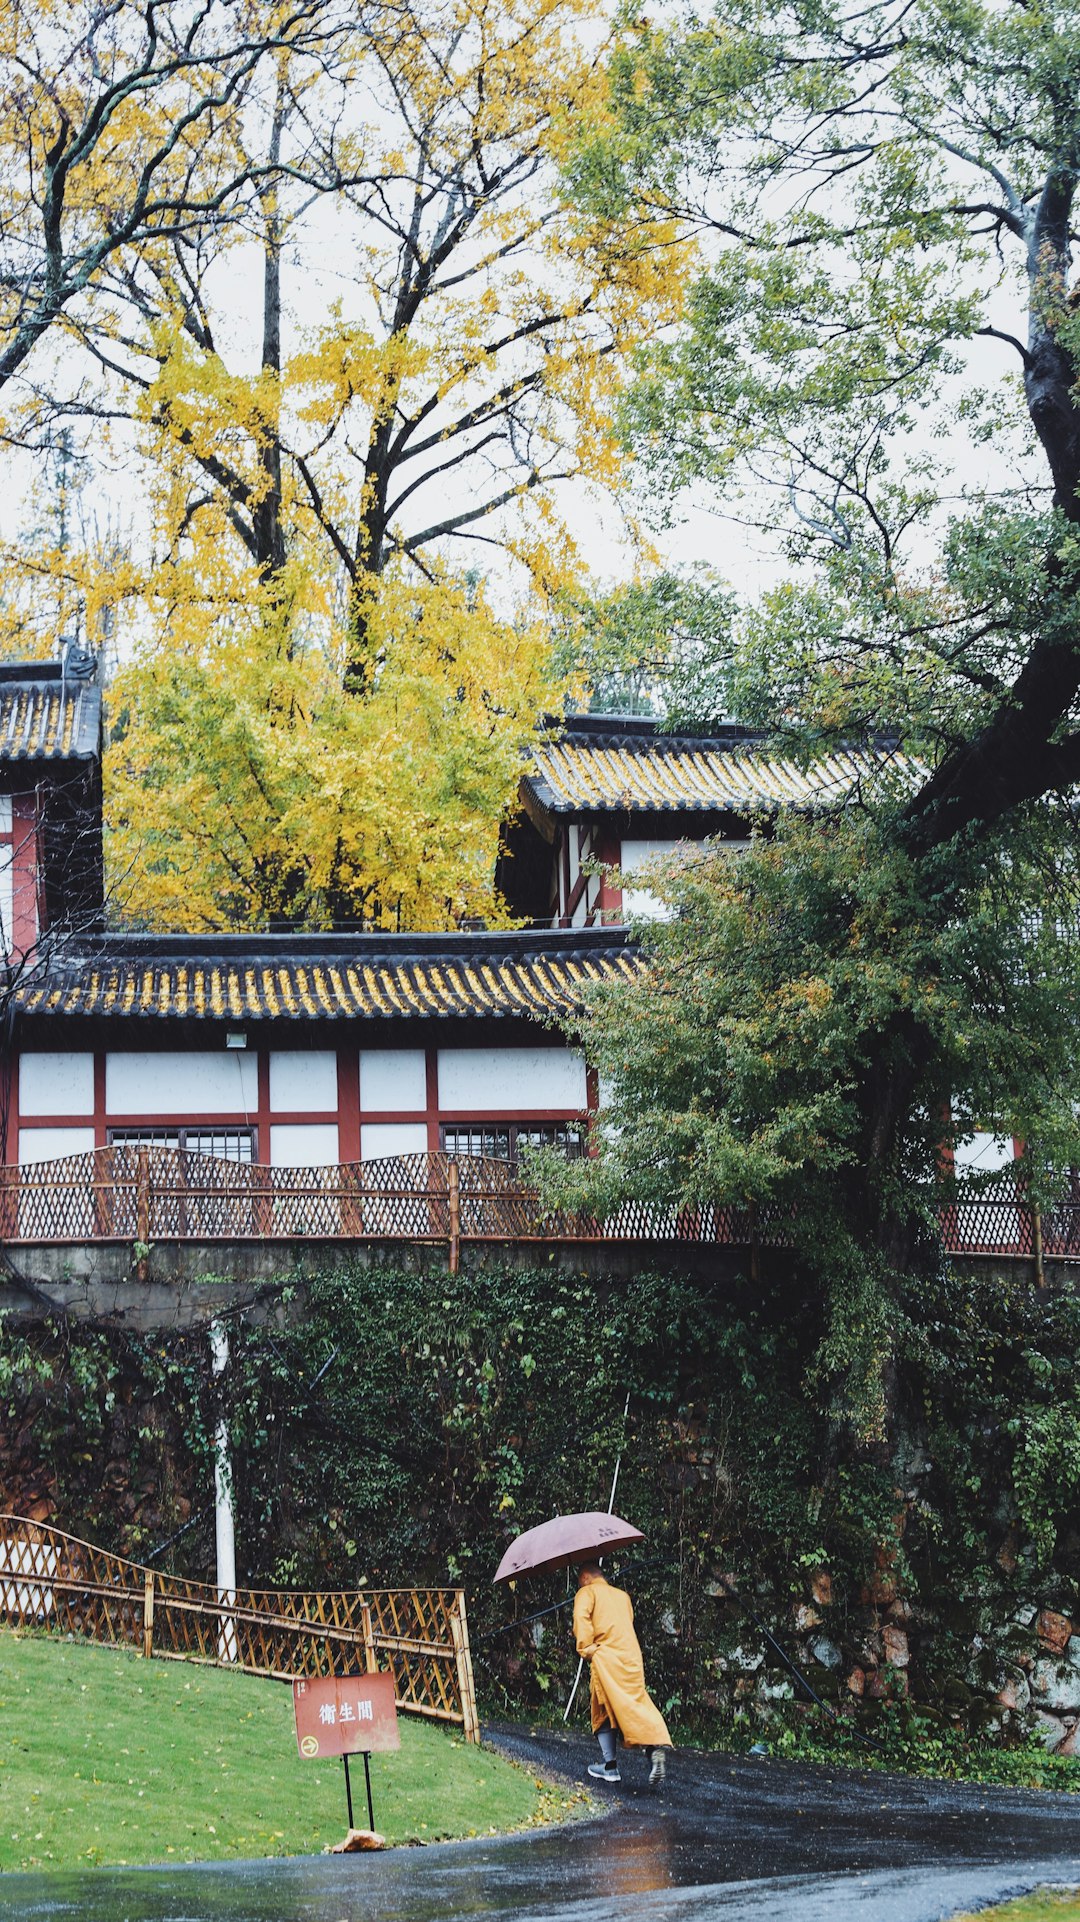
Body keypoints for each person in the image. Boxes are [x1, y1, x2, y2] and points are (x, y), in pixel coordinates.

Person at [573, 1562, 672, 1787]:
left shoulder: (586, 1593)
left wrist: (586, 1649)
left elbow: (582, 1621)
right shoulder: (622, 1596)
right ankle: (652, 1748)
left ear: (587, 1577)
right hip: (632, 1657)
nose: (579, 1583)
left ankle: (610, 1767)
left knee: (602, 1709)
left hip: (606, 1657)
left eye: (580, 1579)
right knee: (633, 1704)